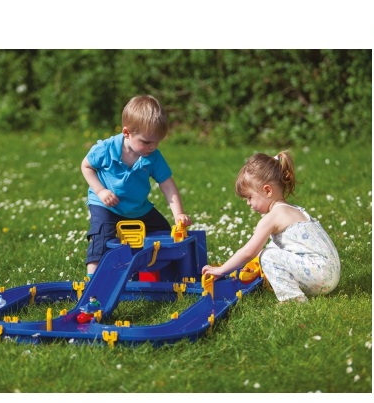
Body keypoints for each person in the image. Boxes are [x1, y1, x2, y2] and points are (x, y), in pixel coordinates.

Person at [202, 150, 340, 303]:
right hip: (330, 273)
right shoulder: (294, 210)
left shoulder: (272, 218)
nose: (248, 203)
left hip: (320, 276)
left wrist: (221, 270)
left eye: (249, 197)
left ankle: (292, 299)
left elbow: (248, 252)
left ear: (267, 190)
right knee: (271, 250)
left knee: (267, 255)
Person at [81, 95, 192, 277]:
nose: (153, 147)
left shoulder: (153, 157)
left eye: (157, 141)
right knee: (101, 239)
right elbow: (86, 166)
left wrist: (178, 214)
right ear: (127, 133)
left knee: (164, 233)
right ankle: (93, 282)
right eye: (147, 142)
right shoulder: (106, 149)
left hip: (138, 208)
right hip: (106, 206)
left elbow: (167, 184)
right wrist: (100, 191)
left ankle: (157, 273)